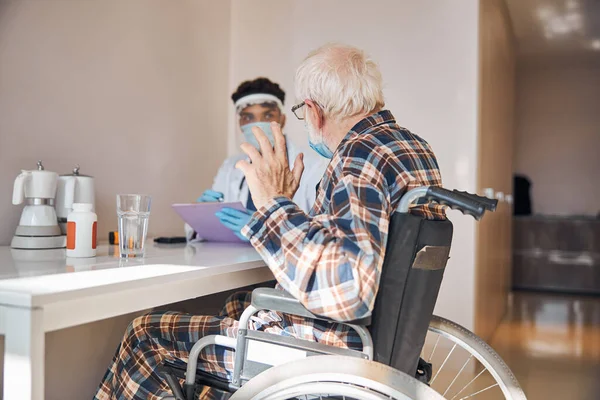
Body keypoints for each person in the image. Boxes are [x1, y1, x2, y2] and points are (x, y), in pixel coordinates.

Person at [94, 44, 446, 400]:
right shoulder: (412, 147)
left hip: (328, 351)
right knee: (238, 305)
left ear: (313, 111)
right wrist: (284, 208)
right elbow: (360, 243)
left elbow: (346, 290)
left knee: (144, 333)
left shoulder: (359, 157)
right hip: (383, 335)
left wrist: (273, 205)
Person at [185, 77, 326, 242]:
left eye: (267, 115)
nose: (257, 124)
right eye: (248, 117)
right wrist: (202, 216)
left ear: (283, 119)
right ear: (240, 123)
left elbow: (324, 233)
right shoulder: (230, 167)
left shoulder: (314, 165)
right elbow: (204, 233)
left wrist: (267, 230)